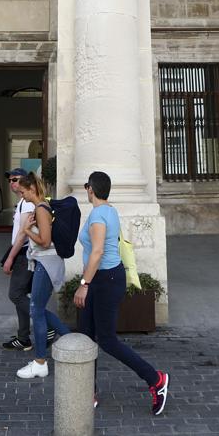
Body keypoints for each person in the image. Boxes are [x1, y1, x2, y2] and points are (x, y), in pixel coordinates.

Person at [74, 171, 170, 415]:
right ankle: (87, 391)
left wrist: (84, 283)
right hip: (104, 278)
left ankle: (156, 379)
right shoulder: (111, 211)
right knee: (85, 335)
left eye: (87, 186)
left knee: (106, 340)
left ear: (90, 190)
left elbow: (96, 253)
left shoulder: (98, 215)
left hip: (103, 280)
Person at [14, 172, 72, 378]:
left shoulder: (40, 208)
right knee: (36, 308)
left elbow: (45, 241)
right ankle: (70, 339)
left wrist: (26, 230)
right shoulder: (42, 207)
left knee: (36, 311)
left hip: (46, 263)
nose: (22, 196)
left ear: (32, 189)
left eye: (23, 192)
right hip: (45, 263)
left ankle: (40, 361)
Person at [1, 167, 36, 351]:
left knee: (15, 294)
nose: (11, 183)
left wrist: (10, 258)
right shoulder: (23, 201)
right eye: (10, 180)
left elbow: (23, 234)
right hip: (21, 253)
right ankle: (23, 337)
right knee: (21, 295)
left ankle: (48, 325)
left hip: (24, 254)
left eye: (15, 179)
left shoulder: (28, 203)